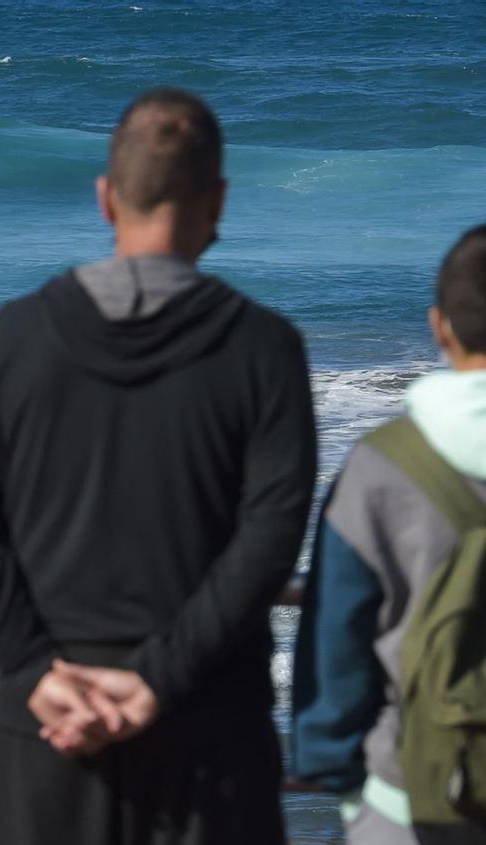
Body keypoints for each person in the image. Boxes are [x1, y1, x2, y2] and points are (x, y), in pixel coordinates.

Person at [0, 87, 316, 844]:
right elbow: (269, 538)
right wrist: (156, 679)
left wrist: (37, 671)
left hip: (41, 729)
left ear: (106, 199)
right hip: (207, 734)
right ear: (218, 200)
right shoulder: (264, 349)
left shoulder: (16, 335)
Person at [293, 224, 486, 845]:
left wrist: (334, 764)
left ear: (439, 327)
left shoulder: (381, 465)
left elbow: (337, 638)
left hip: (416, 791)